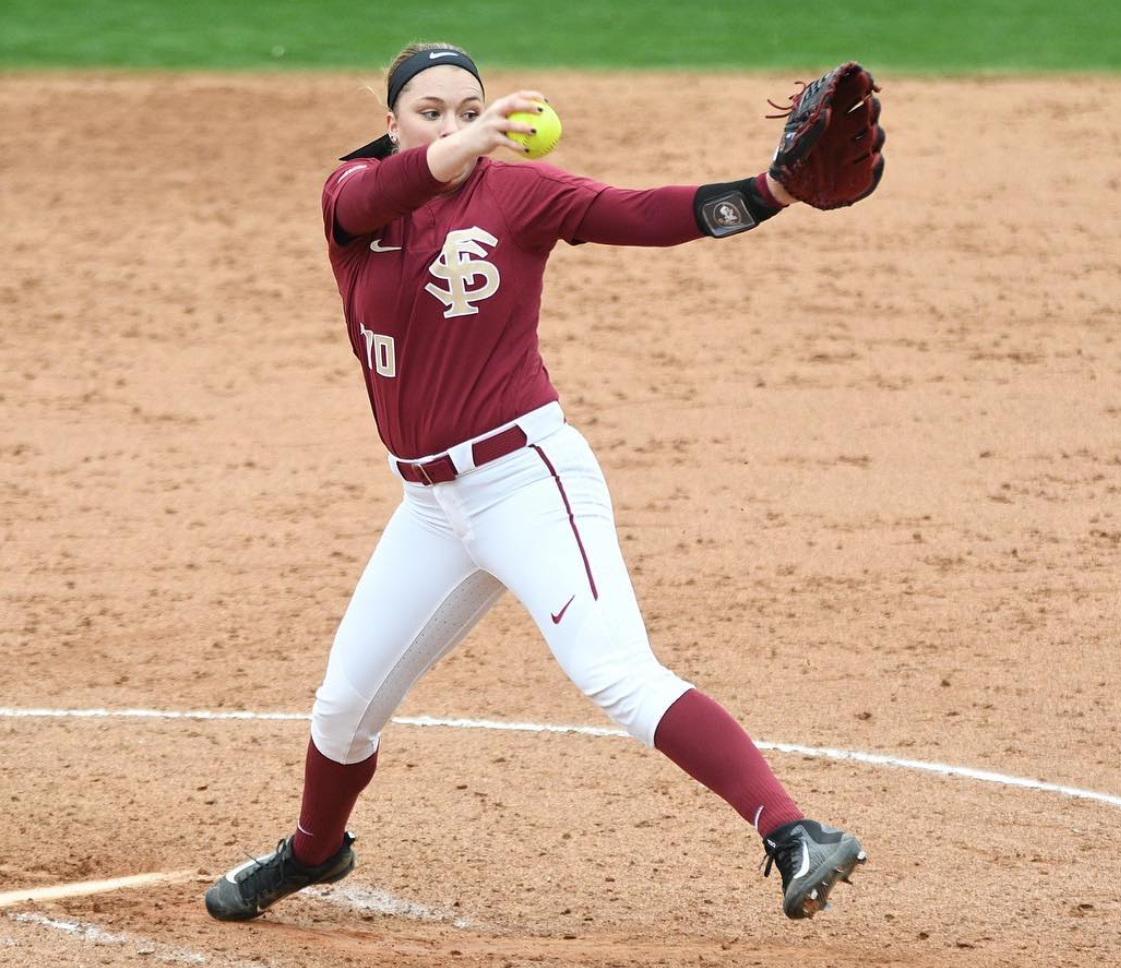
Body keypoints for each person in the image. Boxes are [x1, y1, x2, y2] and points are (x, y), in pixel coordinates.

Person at [204, 41, 874, 925]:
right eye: (430, 110)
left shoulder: (519, 192)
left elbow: (643, 212)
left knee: (615, 675)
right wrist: (470, 138)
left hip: (527, 482)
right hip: (429, 511)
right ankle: (314, 851)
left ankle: (793, 832)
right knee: (343, 710)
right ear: (392, 119)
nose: (452, 124)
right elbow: (382, 191)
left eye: (466, 106)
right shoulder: (353, 197)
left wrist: (770, 191)